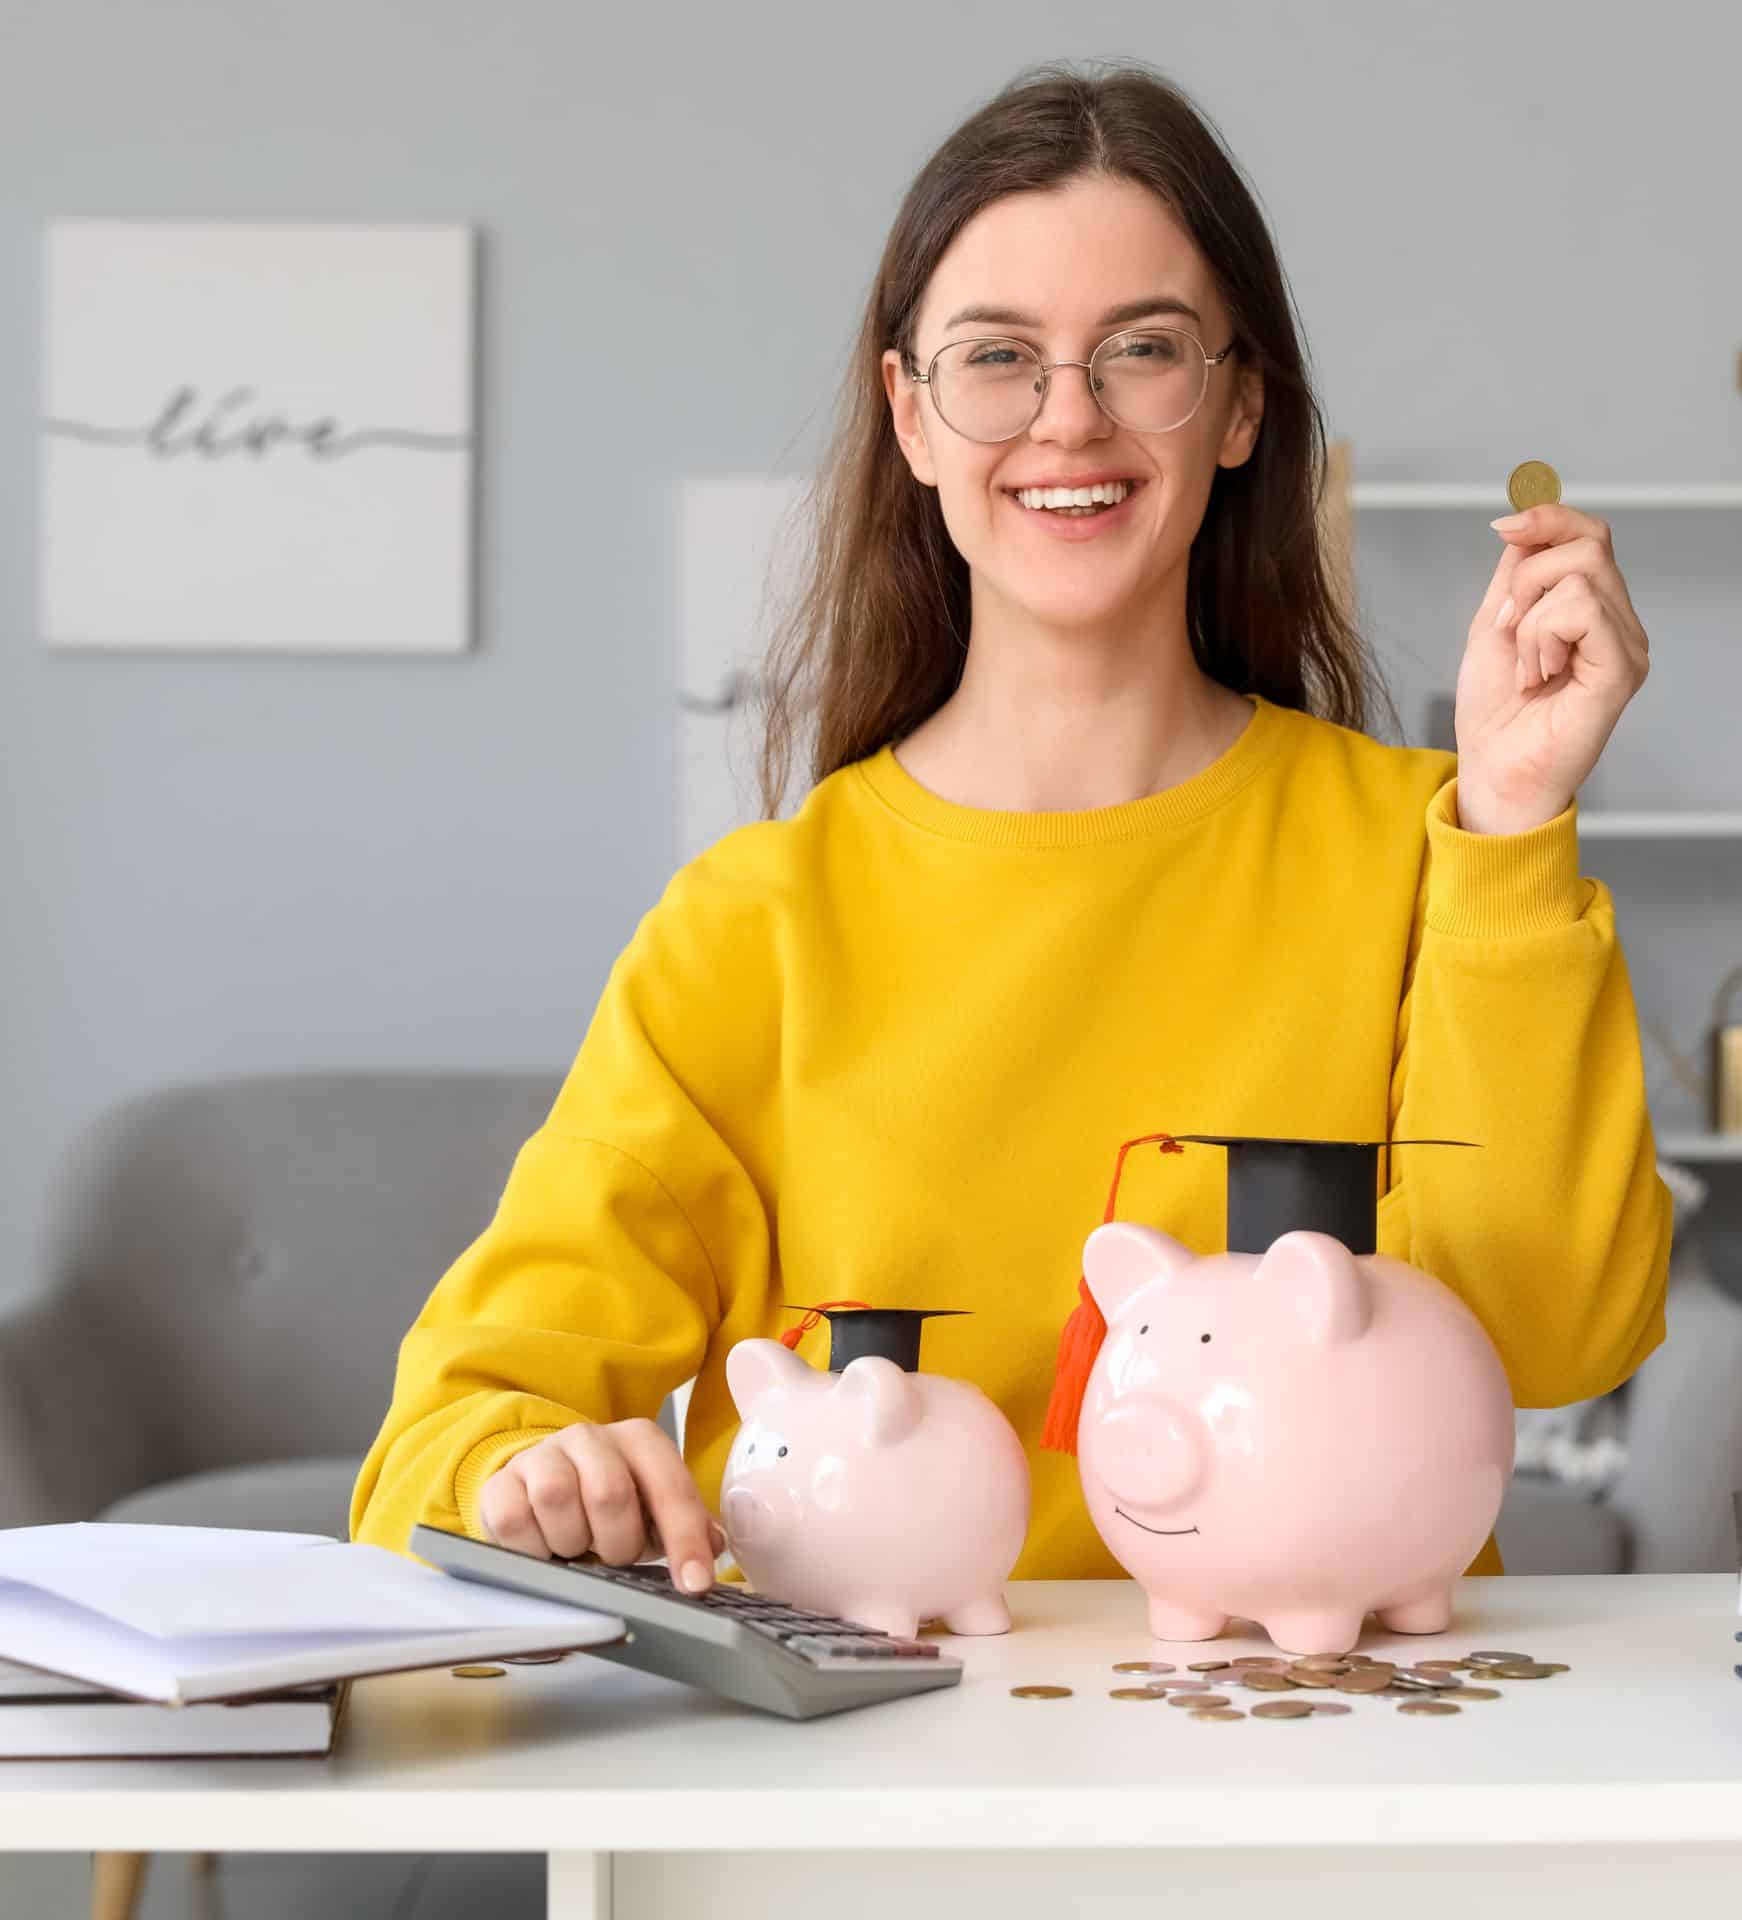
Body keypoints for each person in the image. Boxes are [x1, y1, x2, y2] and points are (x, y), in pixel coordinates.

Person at [350, 60, 1668, 1595]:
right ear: (909, 416)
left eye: (1144, 350)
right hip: (872, 1772)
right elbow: (437, 1449)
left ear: (1241, 407)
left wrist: (1511, 822)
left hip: (1338, 1753)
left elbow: (1552, 1333)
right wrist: (531, 1471)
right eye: (997, 359)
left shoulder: (1424, 850)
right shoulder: (754, 922)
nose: (1070, 420)